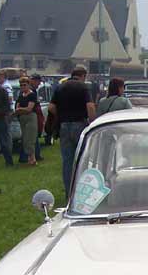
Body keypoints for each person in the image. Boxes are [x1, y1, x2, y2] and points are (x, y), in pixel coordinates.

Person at [48, 66, 95, 196]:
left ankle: (69, 193)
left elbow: (51, 107)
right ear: (83, 76)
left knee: (67, 161)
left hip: (64, 125)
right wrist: (92, 122)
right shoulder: (83, 87)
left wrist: (61, 115)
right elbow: (90, 107)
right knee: (82, 159)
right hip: (80, 124)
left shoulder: (60, 87)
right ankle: (81, 191)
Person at [14, 76, 39, 165]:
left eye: (24, 85)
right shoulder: (21, 95)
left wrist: (21, 109)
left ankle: (33, 158)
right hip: (22, 119)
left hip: (30, 118)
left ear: (28, 85)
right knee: (24, 139)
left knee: (30, 138)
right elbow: (17, 108)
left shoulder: (32, 95)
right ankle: (29, 158)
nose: (23, 87)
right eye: (21, 85)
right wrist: (21, 110)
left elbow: (29, 109)